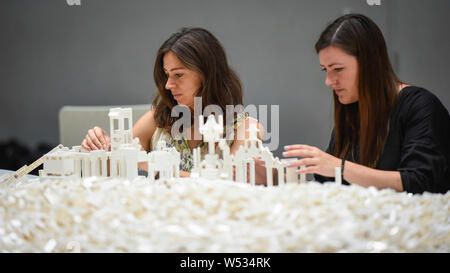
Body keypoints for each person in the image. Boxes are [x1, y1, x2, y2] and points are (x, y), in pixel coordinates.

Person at [283, 14, 450, 194]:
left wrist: (341, 167)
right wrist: (276, 177)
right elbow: (330, 185)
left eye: (337, 69)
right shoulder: (351, 112)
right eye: (325, 70)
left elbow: (419, 182)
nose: (328, 81)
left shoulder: (420, 105)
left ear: (369, 63)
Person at [81, 27, 264, 180]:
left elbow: (229, 182)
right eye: (167, 74)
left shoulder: (246, 129)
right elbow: (112, 167)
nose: (168, 85)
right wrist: (97, 149)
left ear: (208, 75)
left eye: (178, 74)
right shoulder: (155, 121)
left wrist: (158, 167)